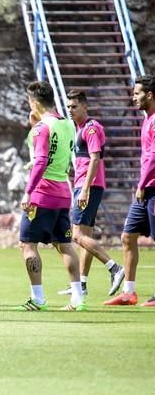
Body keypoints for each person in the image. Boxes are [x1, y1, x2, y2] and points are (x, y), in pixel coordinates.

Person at [18, 80, 84, 311]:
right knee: (65, 244)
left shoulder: (41, 128)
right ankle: (78, 298)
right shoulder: (67, 124)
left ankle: (38, 299)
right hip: (62, 192)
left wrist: (28, 192)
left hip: (41, 194)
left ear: (33, 102)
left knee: (27, 245)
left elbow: (41, 160)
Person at [57, 89, 124, 297]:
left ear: (85, 106)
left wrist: (85, 189)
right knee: (85, 235)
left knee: (76, 235)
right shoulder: (79, 128)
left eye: (74, 106)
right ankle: (82, 283)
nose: (70, 110)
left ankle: (114, 267)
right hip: (85, 184)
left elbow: (95, 159)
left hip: (89, 187)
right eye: (68, 106)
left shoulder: (91, 128)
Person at [105, 75, 155, 307]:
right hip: (145, 188)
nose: (133, 97)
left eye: (137, 93)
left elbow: (153, 158)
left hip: (150, 188)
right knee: (127, 236)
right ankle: (129, 292)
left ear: (150, 95)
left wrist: (141, 185)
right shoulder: (147, 119)